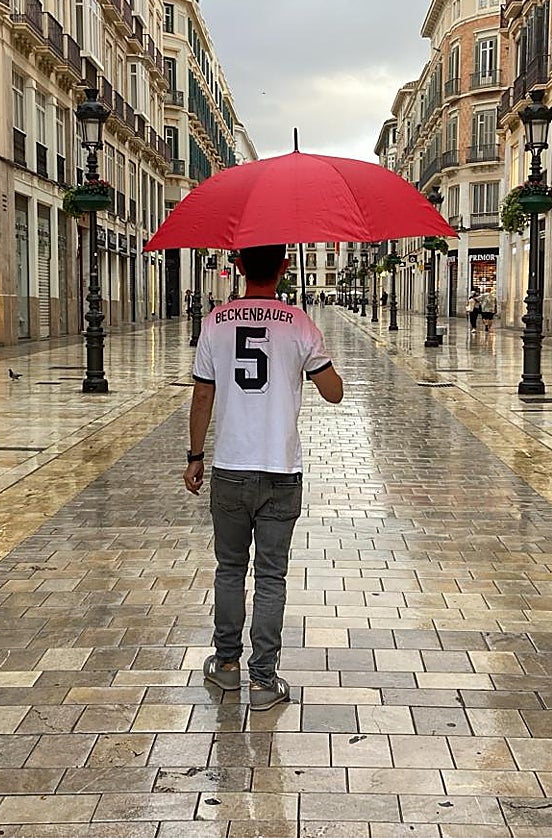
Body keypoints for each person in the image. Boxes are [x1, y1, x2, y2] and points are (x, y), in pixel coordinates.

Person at [184, 243, 344, 711]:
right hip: (280, 470)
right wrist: (309, 363)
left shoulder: (215, 323)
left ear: (236, 266)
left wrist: (195, 455)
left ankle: (227, 665)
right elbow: (334, 393)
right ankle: (263, 681)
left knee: (230, 568)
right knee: (271, 576)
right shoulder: (300, 323)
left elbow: (201, 397)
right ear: (285, 266)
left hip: (229, 469)